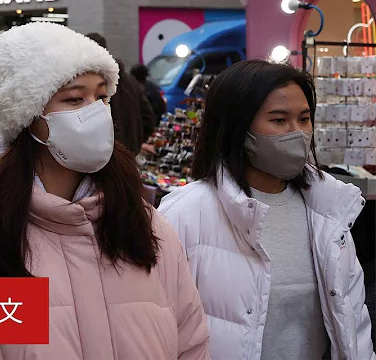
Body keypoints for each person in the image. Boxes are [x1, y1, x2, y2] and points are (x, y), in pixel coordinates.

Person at [0, 23, 208, 359]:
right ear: (27, 116)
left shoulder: (146, 225)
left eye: (102, 96)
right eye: (75, 98)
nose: (95, 111)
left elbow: (192, 345)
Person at [158, 60, 375, 360]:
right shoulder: (185, 213)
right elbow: (159, 327)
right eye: (278, 120)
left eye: (304, 118)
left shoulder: (329, 212)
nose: (297, 133)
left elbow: (354, 323)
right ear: (238, 127)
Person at [85, 32, 156, 154]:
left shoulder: (92, 83)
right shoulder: (131, 82)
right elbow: (149, 118)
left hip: (104, 154)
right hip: (129, 152)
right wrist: (136, 142)